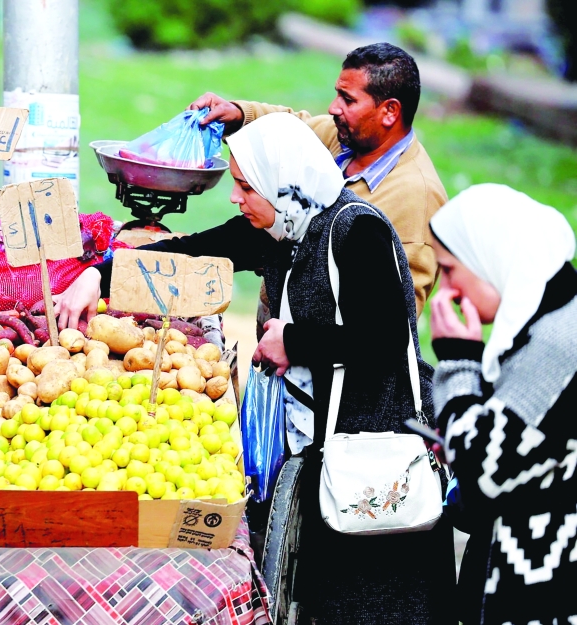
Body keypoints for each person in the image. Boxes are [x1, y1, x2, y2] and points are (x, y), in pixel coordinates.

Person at [57, 112, 455, 623]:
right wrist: (100, 275)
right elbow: (189, 252)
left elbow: (384, 339)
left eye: (245, 185)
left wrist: (294, 340)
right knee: (325, 591)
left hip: (371, 446)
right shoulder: (280, 227)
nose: (234, 196)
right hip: (320, 443)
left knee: (375, 595)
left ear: (280, 182)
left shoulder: (358, 232)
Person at [188, 42, 446, 318]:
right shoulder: (339, 138)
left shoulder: (417, 197)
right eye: (337, 94)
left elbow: (392, 322)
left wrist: (294, 341)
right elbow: (288, 130)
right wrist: (239, 116)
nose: (333, 108)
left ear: (390, 111)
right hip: (279, 329)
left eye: (348, 100)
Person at [429, 184, 577, 625]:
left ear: (488, 257)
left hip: (539, 588)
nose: (447, 288)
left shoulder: (556, 341)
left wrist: (457, 359)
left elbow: (483, 472)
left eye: (451, 270)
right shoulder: (554, 315)